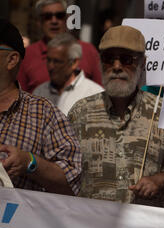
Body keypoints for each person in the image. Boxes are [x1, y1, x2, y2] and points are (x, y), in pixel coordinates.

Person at [68, 25, 164, 208]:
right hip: (90, 227)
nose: (117, 67)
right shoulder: (80, 112)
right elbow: (63, 170)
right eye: (109, 59)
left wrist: (160, 180)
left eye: (127, 59)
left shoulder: (163, 111)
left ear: (142, 63)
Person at [0, 19, 81, 195]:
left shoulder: (43, 113)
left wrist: (29, 163)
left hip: (15, 221)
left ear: (11, 60)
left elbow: (72, 182)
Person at [18, 0, 102, 93]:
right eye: (47, 17)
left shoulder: (88, 51)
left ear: (67, 19)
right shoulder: (28, 54)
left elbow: (101, 93)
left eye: (59, 16)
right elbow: (20, 96)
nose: (54, 21)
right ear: (39, 22)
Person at [33, 33, 104, 115]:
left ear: (74, 62)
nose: (50, 66)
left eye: (57, 61)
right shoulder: (39, 92)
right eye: (48, 60)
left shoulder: (94, 94)